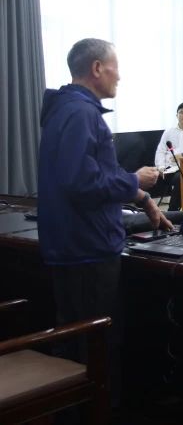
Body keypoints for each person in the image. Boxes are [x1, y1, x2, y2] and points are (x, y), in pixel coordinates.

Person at [38, 39, 170, 375]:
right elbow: (82, 182)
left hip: (72, 243)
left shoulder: (65, 109)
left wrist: (141, 198)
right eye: (116, 67)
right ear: (97, 68)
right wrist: (135, 180)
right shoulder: (82, 114)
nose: (119, 76)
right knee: (96, 348)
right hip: (88, 249)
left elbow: (93, 172)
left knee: (75, 344)